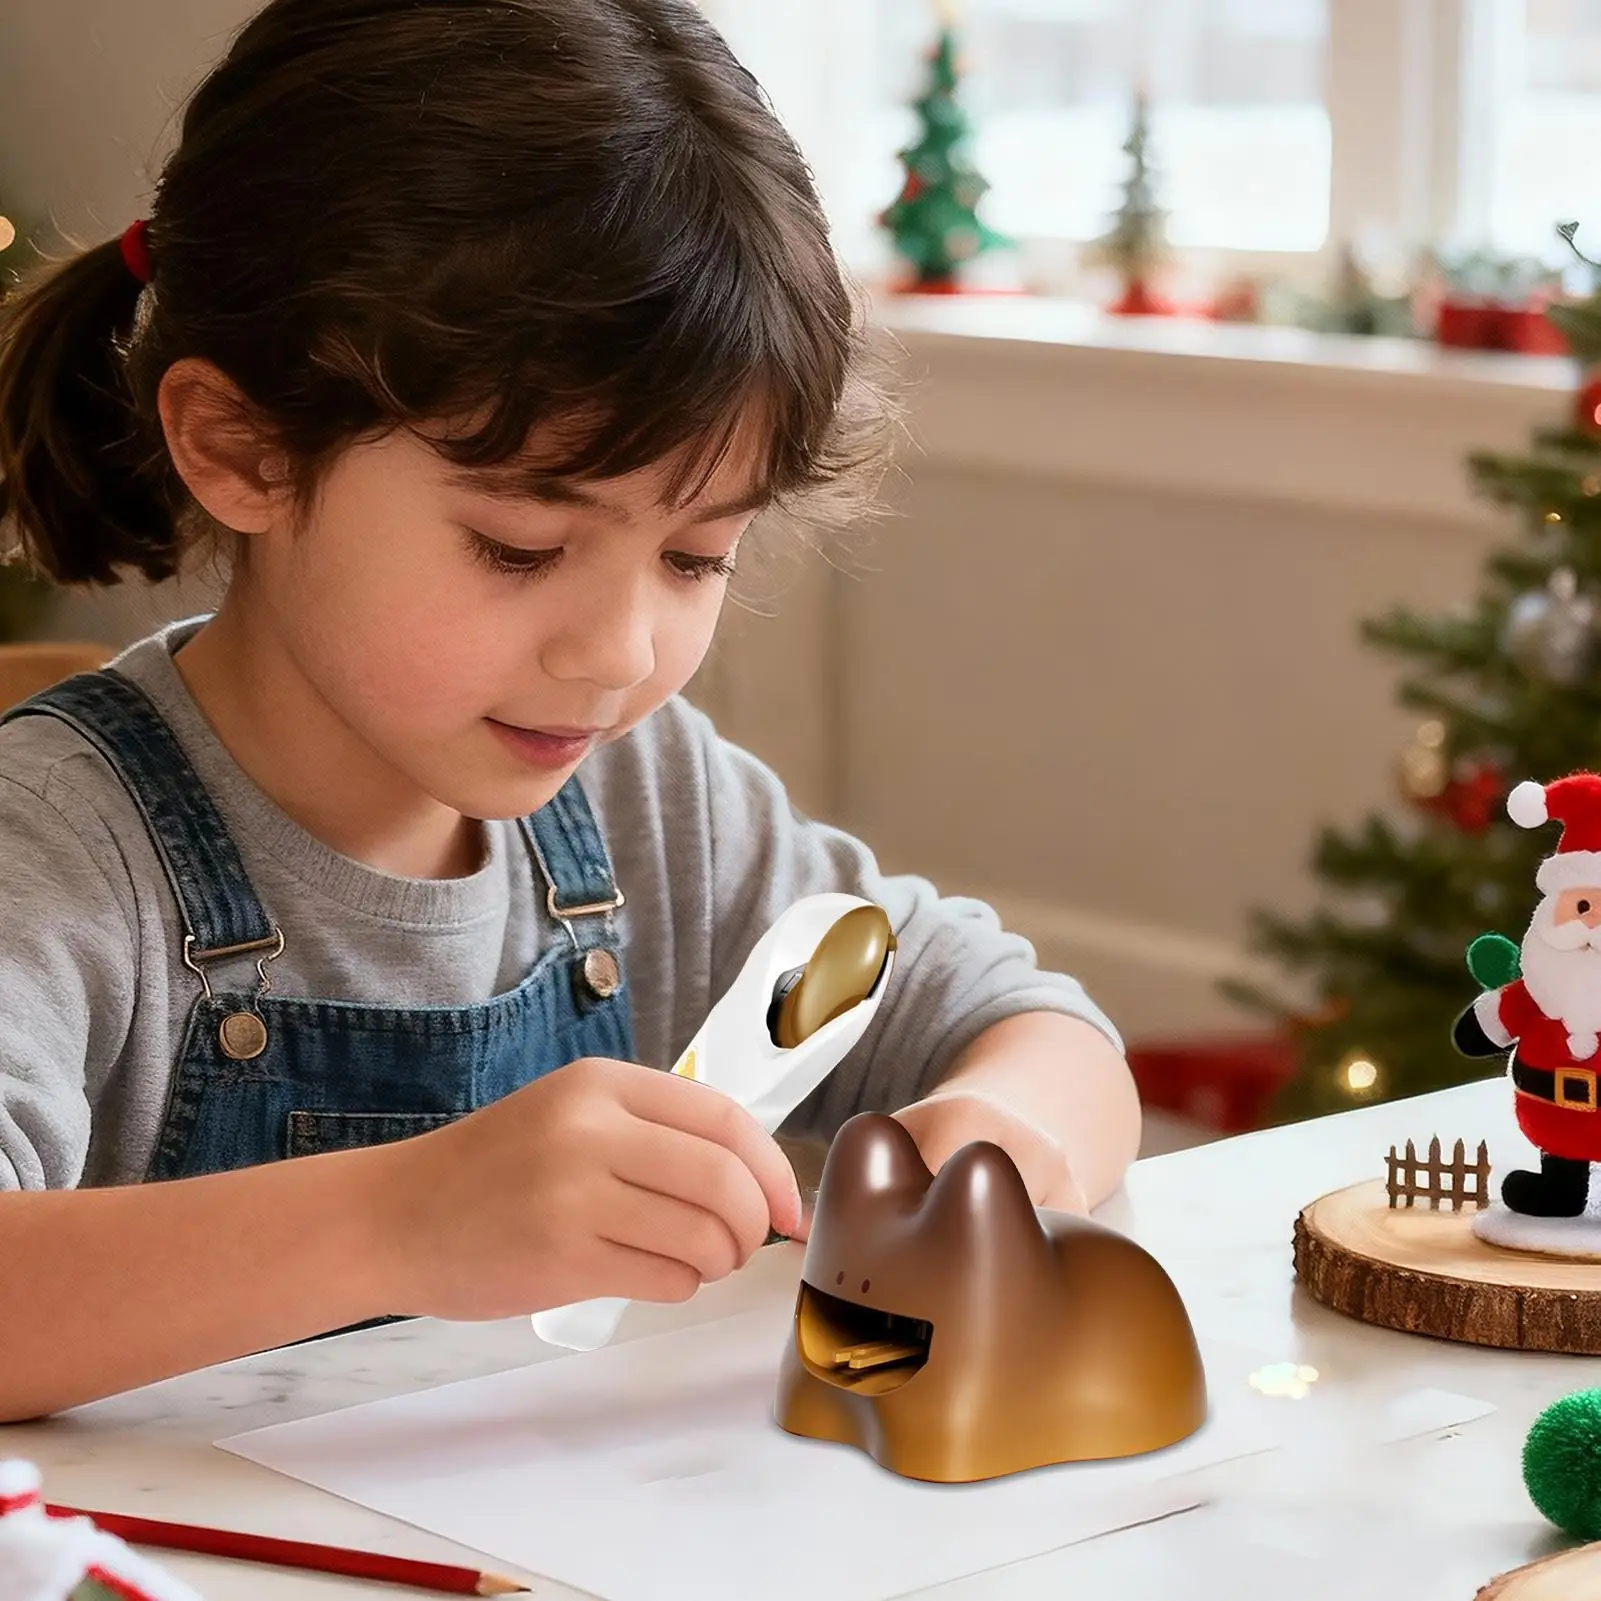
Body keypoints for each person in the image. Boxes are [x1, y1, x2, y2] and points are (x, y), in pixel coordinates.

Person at [0, 0, 1138, 1423]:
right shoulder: (54, 850)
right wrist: (399, 1219)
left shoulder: (649, 802)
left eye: (697, 557)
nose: (618, 653)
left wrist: (999, 1139)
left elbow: (1034, 1023)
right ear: (242, 451)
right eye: (520, 548)